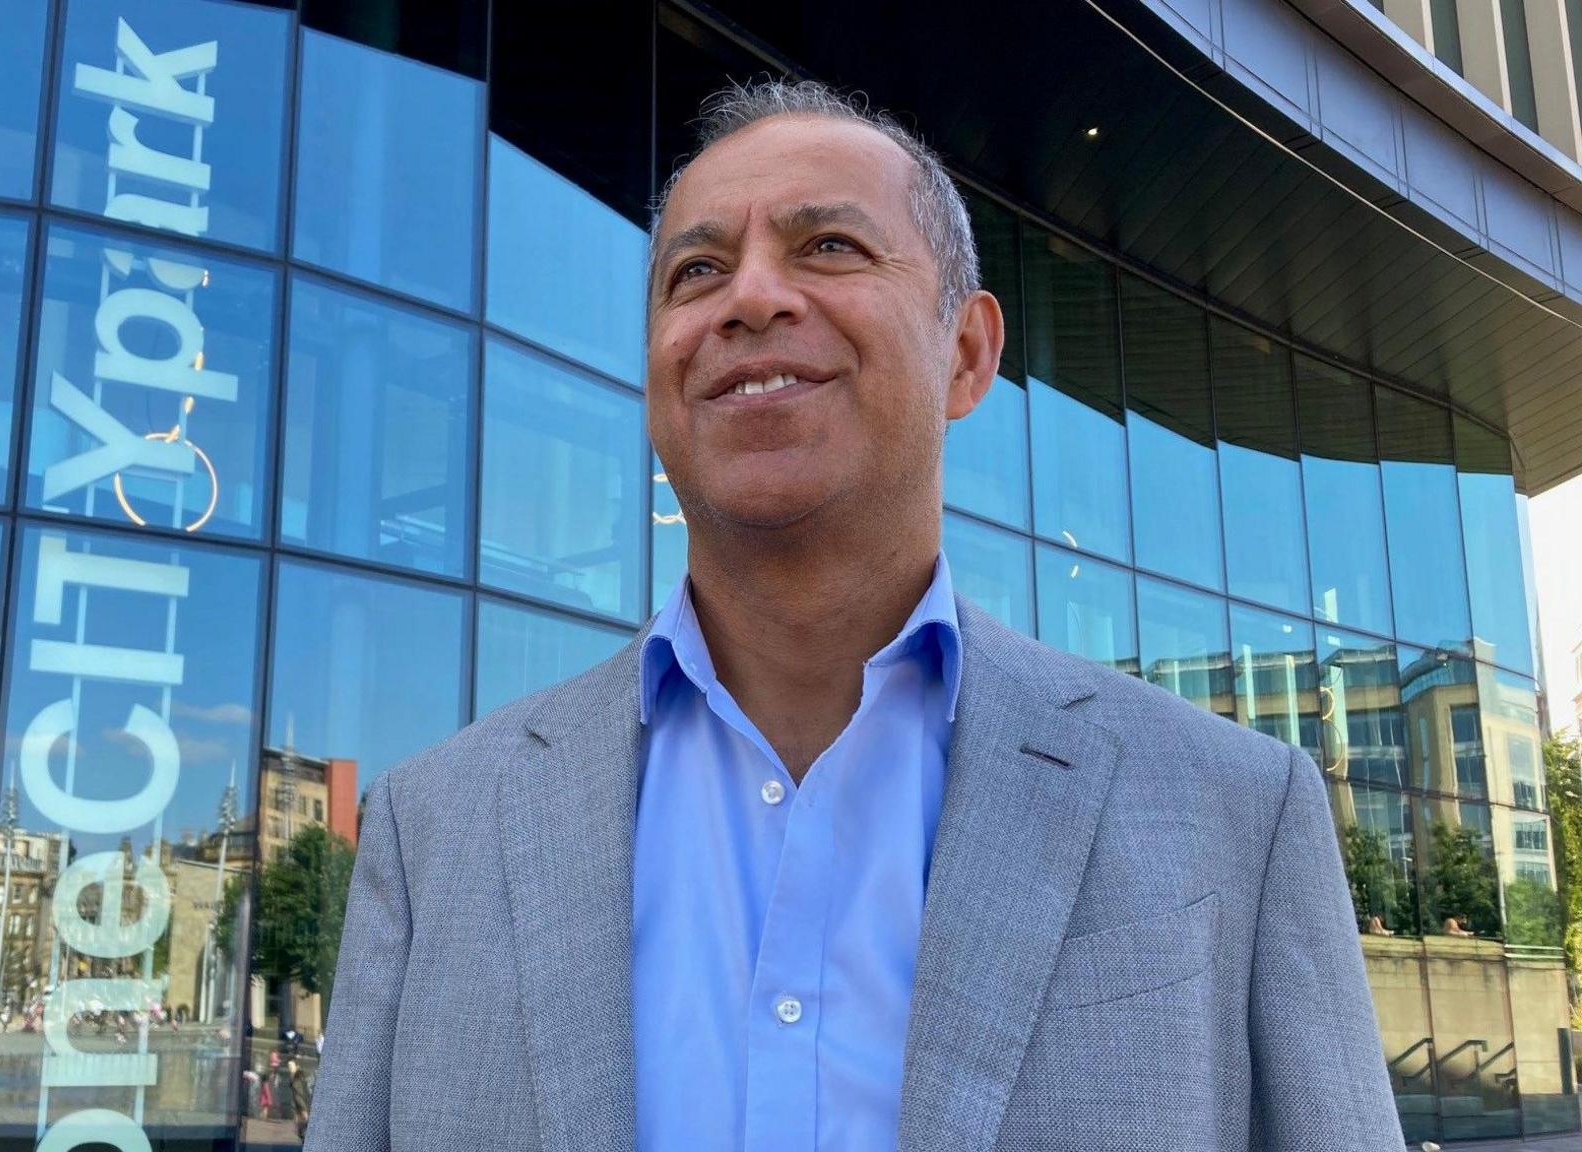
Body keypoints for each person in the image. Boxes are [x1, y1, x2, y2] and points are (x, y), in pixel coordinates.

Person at [304, 79, 1402, 1151]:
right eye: (697, 269)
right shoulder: (434, 829)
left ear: (965, 353)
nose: (749, 297)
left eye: (826, 246)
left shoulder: (1234, 815)